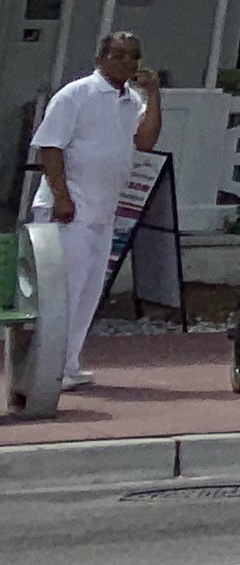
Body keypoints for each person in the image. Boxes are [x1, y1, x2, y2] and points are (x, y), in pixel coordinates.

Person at [24, 30, 163, 403]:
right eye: (118, 56)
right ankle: (46, 366)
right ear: (101, 58)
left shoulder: (131, 100)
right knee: (62, 291)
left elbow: (145, 141)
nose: (126, 63)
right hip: (69, 208)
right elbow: (50, 146)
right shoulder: (76, 94)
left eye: (132, 56)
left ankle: (68, 362)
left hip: (104, 210)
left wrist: (154, 94)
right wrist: (62, 196)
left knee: (87, 291)